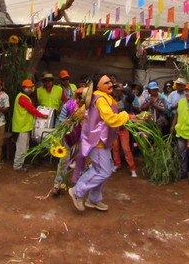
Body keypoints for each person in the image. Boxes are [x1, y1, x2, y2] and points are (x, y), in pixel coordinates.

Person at [68, 74, 130, 212]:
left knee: (103, 170)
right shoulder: (101, 98)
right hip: (98, 141)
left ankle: (94, 200)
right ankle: (77, 191)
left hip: (101, 140)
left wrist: (74, 118)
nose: (110, 85)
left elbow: (83, 111)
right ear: (98, 86)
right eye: (106, 83)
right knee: (103, 171)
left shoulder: (97, 97)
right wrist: (126, 115)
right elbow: (110, 119)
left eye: (110, 82)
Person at [49, 86, 85, 196]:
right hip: (68, 139)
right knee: (63, 163)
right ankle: (58, 185)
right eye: (79, 97)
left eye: (83, 97)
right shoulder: (68, 105)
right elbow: (60, 123)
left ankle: (78, 189)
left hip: (83, 141)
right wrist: (66, 124)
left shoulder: (90, 108)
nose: (81, 100)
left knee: (82, 165)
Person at [12, 79, 48, 173]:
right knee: (21, 148)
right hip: (21, 127)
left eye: (30, 88)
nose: (29, 89)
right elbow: (31, 109)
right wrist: (43, 116)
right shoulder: (23, 98)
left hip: (23, 126)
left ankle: (20, 163)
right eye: (27, 88)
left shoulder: (22, 96)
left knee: (24, 146)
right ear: (23, 88)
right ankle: (18, 166)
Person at [110, 82, 138, 177]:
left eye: (118, 90)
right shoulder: (111, 99)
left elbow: (132, 96)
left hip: (123, 128)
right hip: (114, 129)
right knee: (115, 148)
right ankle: (117, 164)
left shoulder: (126, 98)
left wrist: (122, 88)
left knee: (126, 149)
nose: (116, 91)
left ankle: (132, 167)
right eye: (115, 89)